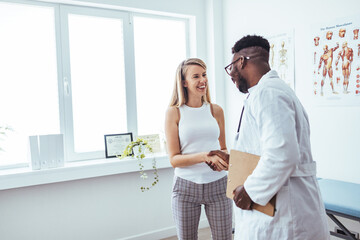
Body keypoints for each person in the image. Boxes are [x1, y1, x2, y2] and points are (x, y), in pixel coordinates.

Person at [209, 35, 329, 240]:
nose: (231, 75)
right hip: (282, 208)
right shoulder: (268, 91)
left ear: (241, 61)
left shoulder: (269, 93)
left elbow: (282, 155)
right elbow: (266, 148)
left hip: (285, 214)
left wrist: (250, 191)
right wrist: (235, 161)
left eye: (231, 67)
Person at [165, 58, 233, 240]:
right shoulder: (174, 112)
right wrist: (204, 157)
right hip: (186, 188)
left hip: (219, 185)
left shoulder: (216, 110)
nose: (203, 80)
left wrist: (224, 160)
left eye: (204, 75)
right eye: (196, 76)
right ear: (184, 82)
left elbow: (223, 147)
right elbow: (174, 159)